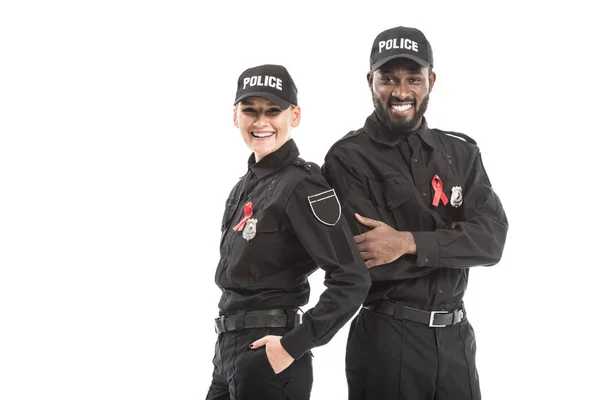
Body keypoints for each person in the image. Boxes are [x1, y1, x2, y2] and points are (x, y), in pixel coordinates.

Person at [322, 26, 509, 399]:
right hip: (388, 341)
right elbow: (368, 260)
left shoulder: (462, 153)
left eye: (413, 79)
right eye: (388, 79)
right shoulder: (348, 158)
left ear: (431, 81)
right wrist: (455, 243)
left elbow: (492, 242)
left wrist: (406, 241)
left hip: (456, 340)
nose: (401, 92)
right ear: (370, 80)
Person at [206, 64, 370, 400]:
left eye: (273, 111)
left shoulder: (303, 185)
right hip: (227, 353)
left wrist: (293, 345)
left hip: (270, 355)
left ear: (294, 116)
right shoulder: (243, 188)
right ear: (234, 117)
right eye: (250, 111)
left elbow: (352, 278)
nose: (260, 122)